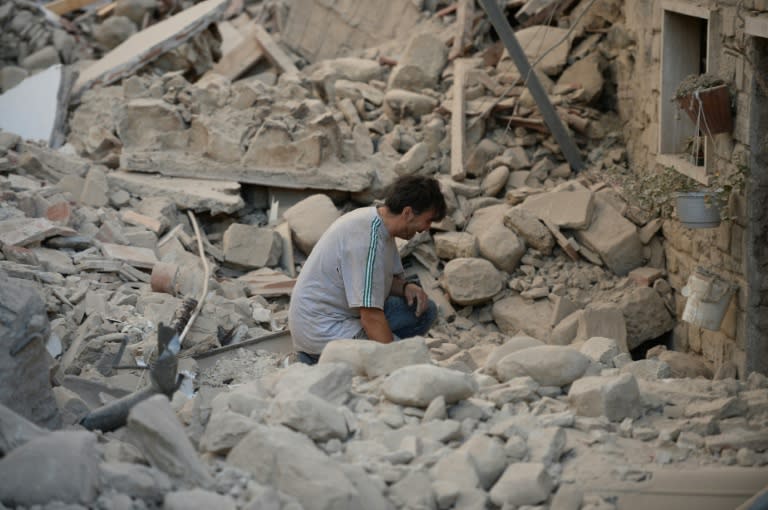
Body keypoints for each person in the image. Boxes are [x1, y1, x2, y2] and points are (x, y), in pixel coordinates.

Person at [288, 175, 448, 365]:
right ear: (408, 213)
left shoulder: (380, 225)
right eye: (427, 221)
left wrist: (405, 288)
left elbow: (376, 282)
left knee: (424, 311)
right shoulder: (366, 240)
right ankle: (322, 359)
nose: (424, 229)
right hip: (324, 330)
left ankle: (357, 357)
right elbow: (370, 316)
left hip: (343, 316)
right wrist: (393, 361)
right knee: (406, 363)